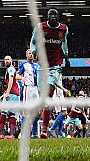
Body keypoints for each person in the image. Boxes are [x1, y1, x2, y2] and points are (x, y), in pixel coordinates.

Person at [29, 8, 69, 137]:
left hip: (55, 66)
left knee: (49, 93)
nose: (52, 16)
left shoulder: (63, 29)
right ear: (46, 16)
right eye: (50, 14)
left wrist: (66, 56)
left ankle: (44, 130)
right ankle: (44, 130)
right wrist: (34, 50)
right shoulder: (40, 27)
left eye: (54, 14)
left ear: (58, 17)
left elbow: (64, 43)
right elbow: (33, 41)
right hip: (41, 65)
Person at [15, 49, 41, 138]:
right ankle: (24, 133)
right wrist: (22, 79)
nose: (31, 55)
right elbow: (17, 75)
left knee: (37, 112)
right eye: (29, 53)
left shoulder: (37, 66)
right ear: (26, 55)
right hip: (28, 89)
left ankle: (34, 133)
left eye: (32, 54)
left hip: (36, 89)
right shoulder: (24, 65)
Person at [0, 54, 20, 139]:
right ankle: (11, 135)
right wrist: (4, 93)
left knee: (3, 113)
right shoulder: (12, 69)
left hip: (11, 94)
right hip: (15, 95)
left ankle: (1, 134)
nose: (6, 61)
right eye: (5, 59)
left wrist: (7, 93)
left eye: (8, 59)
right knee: (12, 114)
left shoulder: (10, 69)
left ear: (11, 61)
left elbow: (11, 81)